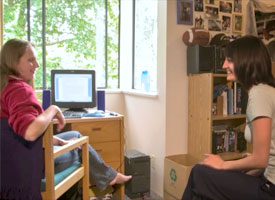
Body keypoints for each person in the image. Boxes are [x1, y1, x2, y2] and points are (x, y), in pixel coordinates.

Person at [0, 39, 131, 199]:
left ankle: (110, 177)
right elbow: (29, 132)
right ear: (13, 62)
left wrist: (54, 140)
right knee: (81, 149)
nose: (37, 65)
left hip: (11, 165)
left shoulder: (5, 87)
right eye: (31, 60)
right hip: (32, 167)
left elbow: (14, 134)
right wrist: (53, 109)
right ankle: (108, 178)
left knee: (75, 135)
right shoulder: (20, 90)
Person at [182, 35, 275, 200]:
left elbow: (261, 159)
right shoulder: (266, 91)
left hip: (269, 189)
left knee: (199, 174)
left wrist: (224, 164)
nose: (224, 64)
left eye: (229, 60)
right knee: (210, 176)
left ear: (246, 62)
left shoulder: (259, 94)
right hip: (267, 180)